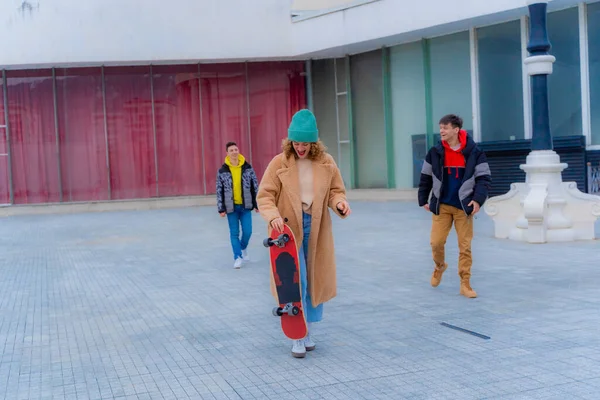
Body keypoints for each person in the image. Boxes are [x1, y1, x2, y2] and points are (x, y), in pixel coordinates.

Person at [257, 109, 351, 358]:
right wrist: (274, 216)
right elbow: (265, 196)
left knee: (313, 279)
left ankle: (306, 330)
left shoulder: (326, 163)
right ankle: (297, 335)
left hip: (317, 226)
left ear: (314, 142)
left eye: (305, 143)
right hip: (287, 229)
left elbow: (335, 192)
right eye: (296, 143)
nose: (300, 148)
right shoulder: (279, 163)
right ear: (290, 142)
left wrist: (339, 203)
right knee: (294, 280)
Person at [418, 114, 492, 298]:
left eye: (445, 127)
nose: (441, 131)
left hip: (463, 206)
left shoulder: (474, 152)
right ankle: (440, 266)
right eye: (440, 127)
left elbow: (484, 178)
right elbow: (425, 177)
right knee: (436, 242)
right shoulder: (435, 152)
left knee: (464, 246)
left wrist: (477, 199)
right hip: (441, 206)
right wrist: (423, 199)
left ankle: (465, 284)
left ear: (456, 129)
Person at [216, 141, 259, 269]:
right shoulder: (222, 170)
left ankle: (243, 247)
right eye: (231, 150)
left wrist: (257, 204)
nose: (234, 152)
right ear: (227, 153)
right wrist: (221, 208)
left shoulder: (247, 168)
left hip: (245, 206)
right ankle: (237, 257)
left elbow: (254, 186)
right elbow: (219, 190)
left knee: (248, 231)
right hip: (231, 208)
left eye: (236, 149)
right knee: (234, 233)